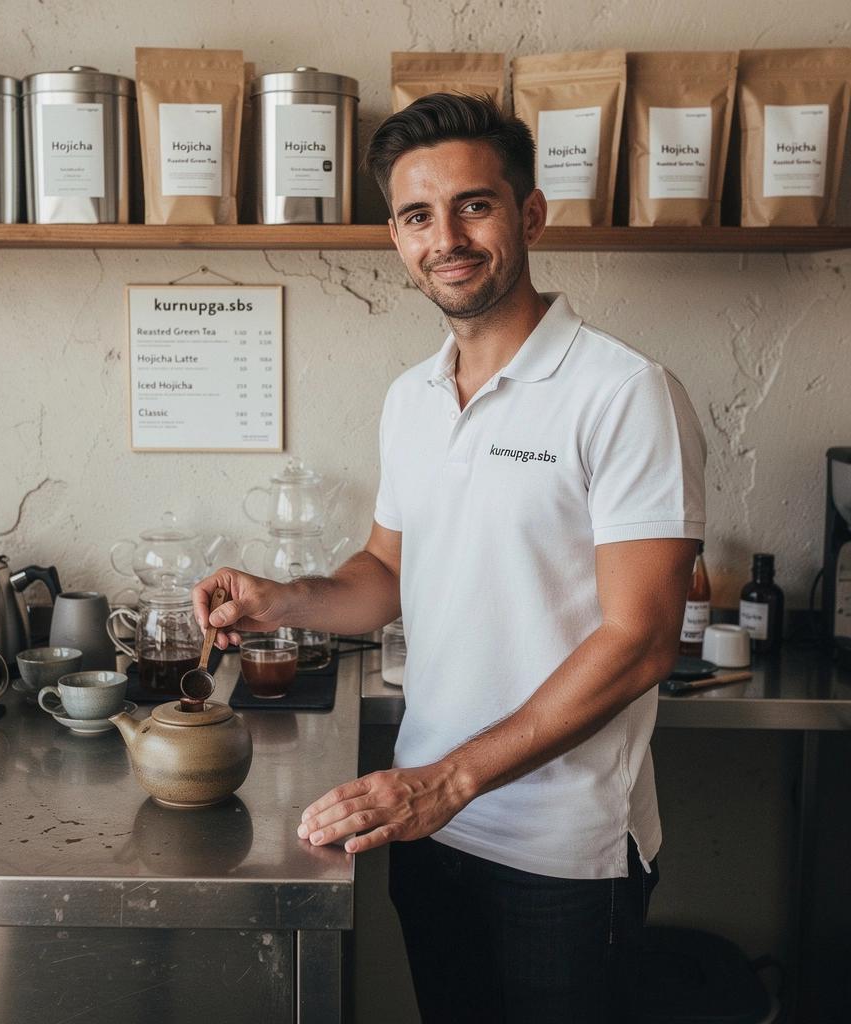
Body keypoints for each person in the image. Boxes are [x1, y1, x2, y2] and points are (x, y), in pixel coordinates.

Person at [193, 93, 706, 1023]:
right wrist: (286, 602)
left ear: (531, 213)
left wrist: (447, 781)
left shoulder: (624, 393)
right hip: (426, 829)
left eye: (475, 204)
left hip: (561, 853)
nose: (448, 238)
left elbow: (641, 642)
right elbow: (385, 574)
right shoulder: (412, 398)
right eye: (418, 216)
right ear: (396, 237)